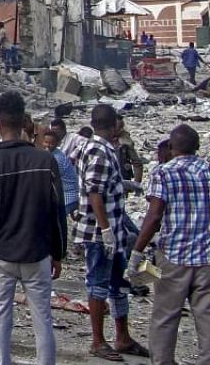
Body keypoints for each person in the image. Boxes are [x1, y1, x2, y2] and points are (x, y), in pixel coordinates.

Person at [0, 91, 66, 365]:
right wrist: (58, 253)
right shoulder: (45, 161)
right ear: (26, 122)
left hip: (1, 256)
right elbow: (57, 212)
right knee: (43, 319)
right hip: (37, 253)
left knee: (1, 319)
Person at [72, 104, 148, 361]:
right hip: (100, 233)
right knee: (98, 285)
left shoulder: (98, 148)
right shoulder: (99, 150)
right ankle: (97, 341)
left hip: (112, 230)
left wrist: (125, 184)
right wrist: (105, 230)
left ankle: (123, 337)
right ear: (114, 124)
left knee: (119, 284)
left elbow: (101, 185)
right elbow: (95, 192)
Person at [130, 124, 210, 365]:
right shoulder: (208, 171)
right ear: (197, 147)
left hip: (174, 256)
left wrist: (137, 251)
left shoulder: (164, 173)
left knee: (166, 316)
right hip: (206, 256)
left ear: (172, 148)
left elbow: (154, 217)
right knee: (206, 316)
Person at [46, 120, 79, 238]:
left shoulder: (56, 159)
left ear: (58, 143)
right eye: (46, 143)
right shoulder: (55, 154)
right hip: (67, 193)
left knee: (53, 221)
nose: (47, 146)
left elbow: (49, 180)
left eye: (51, 143)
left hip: (69, 195)